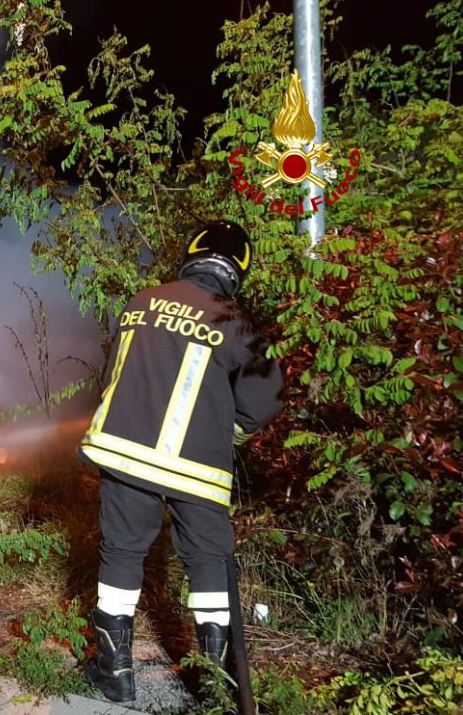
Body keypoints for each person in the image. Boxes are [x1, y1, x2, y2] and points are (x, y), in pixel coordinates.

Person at [79, 221, 283, 702]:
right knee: (208, 560)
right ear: (240, 268)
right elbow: (262, 401)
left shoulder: (140, 302)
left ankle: (116, 675)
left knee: (123, 553)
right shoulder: (237, 322)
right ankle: (215, 683)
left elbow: (116, 375)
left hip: (125, 453)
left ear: (192, 254)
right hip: (200, 468)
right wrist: (226, 430)